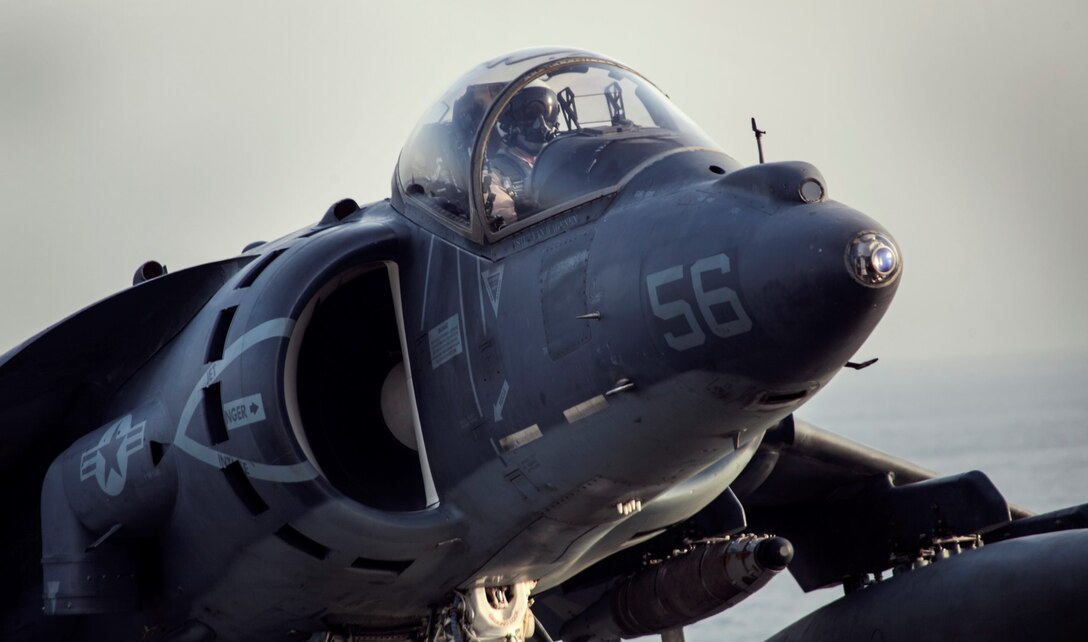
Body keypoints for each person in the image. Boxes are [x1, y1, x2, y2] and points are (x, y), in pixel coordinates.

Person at [486, 84, 560, 229]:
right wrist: (522, 215)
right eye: (530, 116)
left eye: (546, 115)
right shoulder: (492, 174)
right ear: (508, 123)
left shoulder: (562, 159)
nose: (541, 124)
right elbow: (503, 221)